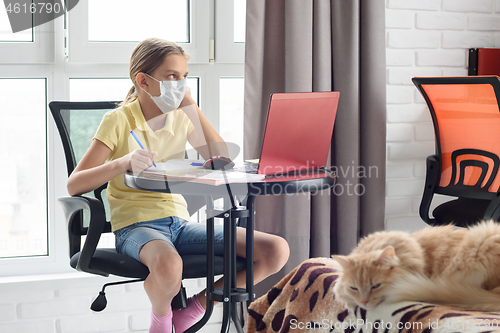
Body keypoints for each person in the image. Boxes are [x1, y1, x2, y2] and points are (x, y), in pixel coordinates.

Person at [67, 38, 290, 333]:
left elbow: (219, 155)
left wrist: (192, 109)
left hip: (180, 224)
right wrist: (122, 163)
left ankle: (193, 308)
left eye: (184, 76)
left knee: (275, 250)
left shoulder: (181, 119)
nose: (180, 84)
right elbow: (75, 185)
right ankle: (160, 321)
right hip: (135, 226)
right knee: (169, 265)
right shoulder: (118, 120)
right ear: (143, 81)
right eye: (172, 76)